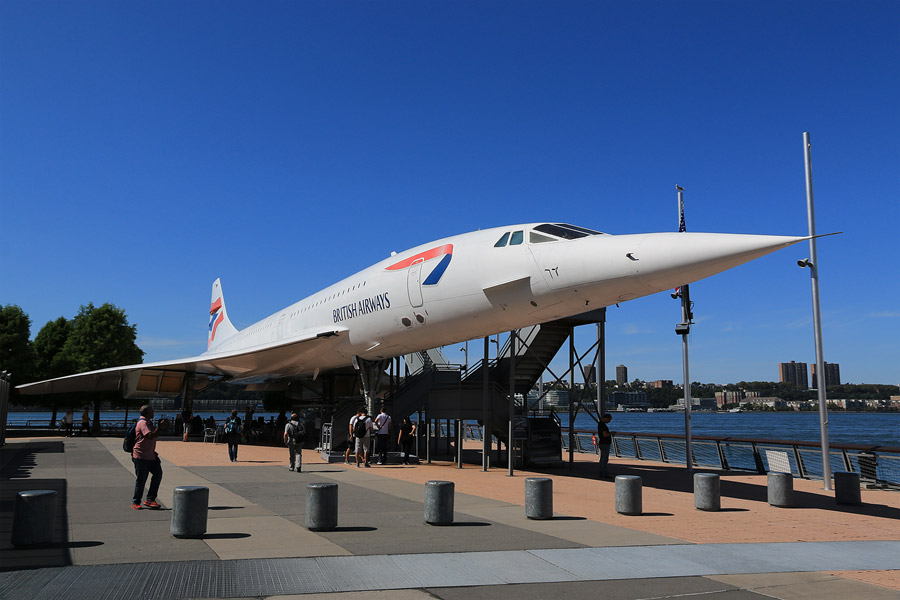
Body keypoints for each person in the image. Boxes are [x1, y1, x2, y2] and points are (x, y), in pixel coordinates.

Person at [131, 405, 168, 509]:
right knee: (141, 480)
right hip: (141, 456)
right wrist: (159, 428)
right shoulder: (143, 423)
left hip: (151, 455)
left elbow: (153, 435)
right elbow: (150, 436)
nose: (153, 413)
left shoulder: (149, 422)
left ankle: (150, 499)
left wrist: (160, 428)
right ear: (147, 413)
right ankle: (136, 501)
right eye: (152, 411)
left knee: (158, 474)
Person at [597, 413, 613, 479]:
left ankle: (602, 473)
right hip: (605, 443)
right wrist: (611, 433)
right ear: (606, 418)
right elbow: (605, 435)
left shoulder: (600, 424)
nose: (609, 421)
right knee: (604, 459)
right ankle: (604, 474)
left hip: (602, 443)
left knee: (602, 459)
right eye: (609, 419)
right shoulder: (603, 425)